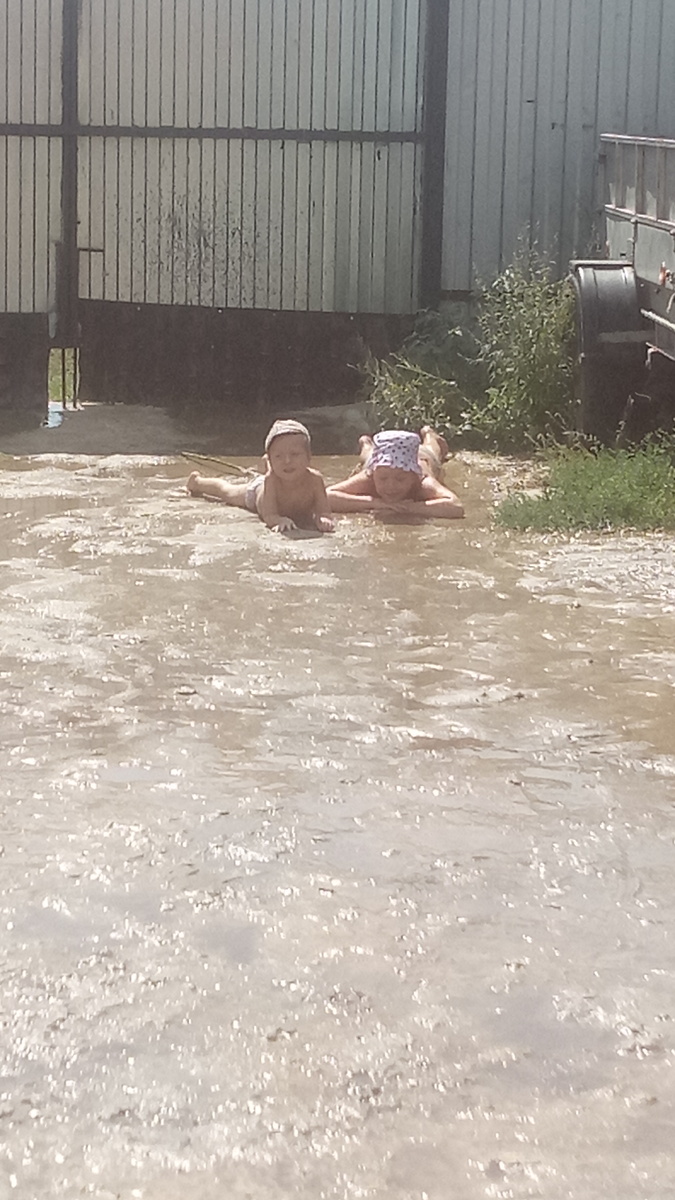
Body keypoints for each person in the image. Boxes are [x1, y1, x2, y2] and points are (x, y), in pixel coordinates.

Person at [186, 419, 335, 534]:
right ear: (271, 459)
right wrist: (278, 520)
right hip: (257, 493)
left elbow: (324, 510)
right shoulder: (271, 480)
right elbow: (269, 515)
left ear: (309, 457)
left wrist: (323, 518)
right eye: (278, 456)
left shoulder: (315, 479)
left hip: (276, 483)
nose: (287, 461)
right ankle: (197, 482)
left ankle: (270, 463)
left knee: (275, 471)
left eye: (295, 454)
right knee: (227, 492)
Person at [327, 427, 464, 519]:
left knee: (433, 451)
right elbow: (326, 496)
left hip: (422, 455)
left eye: (400, 479)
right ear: (374, 474)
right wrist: (374, 502)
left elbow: (456, 506)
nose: (390, 486)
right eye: (383, 479)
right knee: (366, 456)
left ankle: (429, 433)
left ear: (413, 476)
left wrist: (410, 507)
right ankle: (366, 443)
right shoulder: (370, 475)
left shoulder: (422, 481)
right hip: (374, 458)